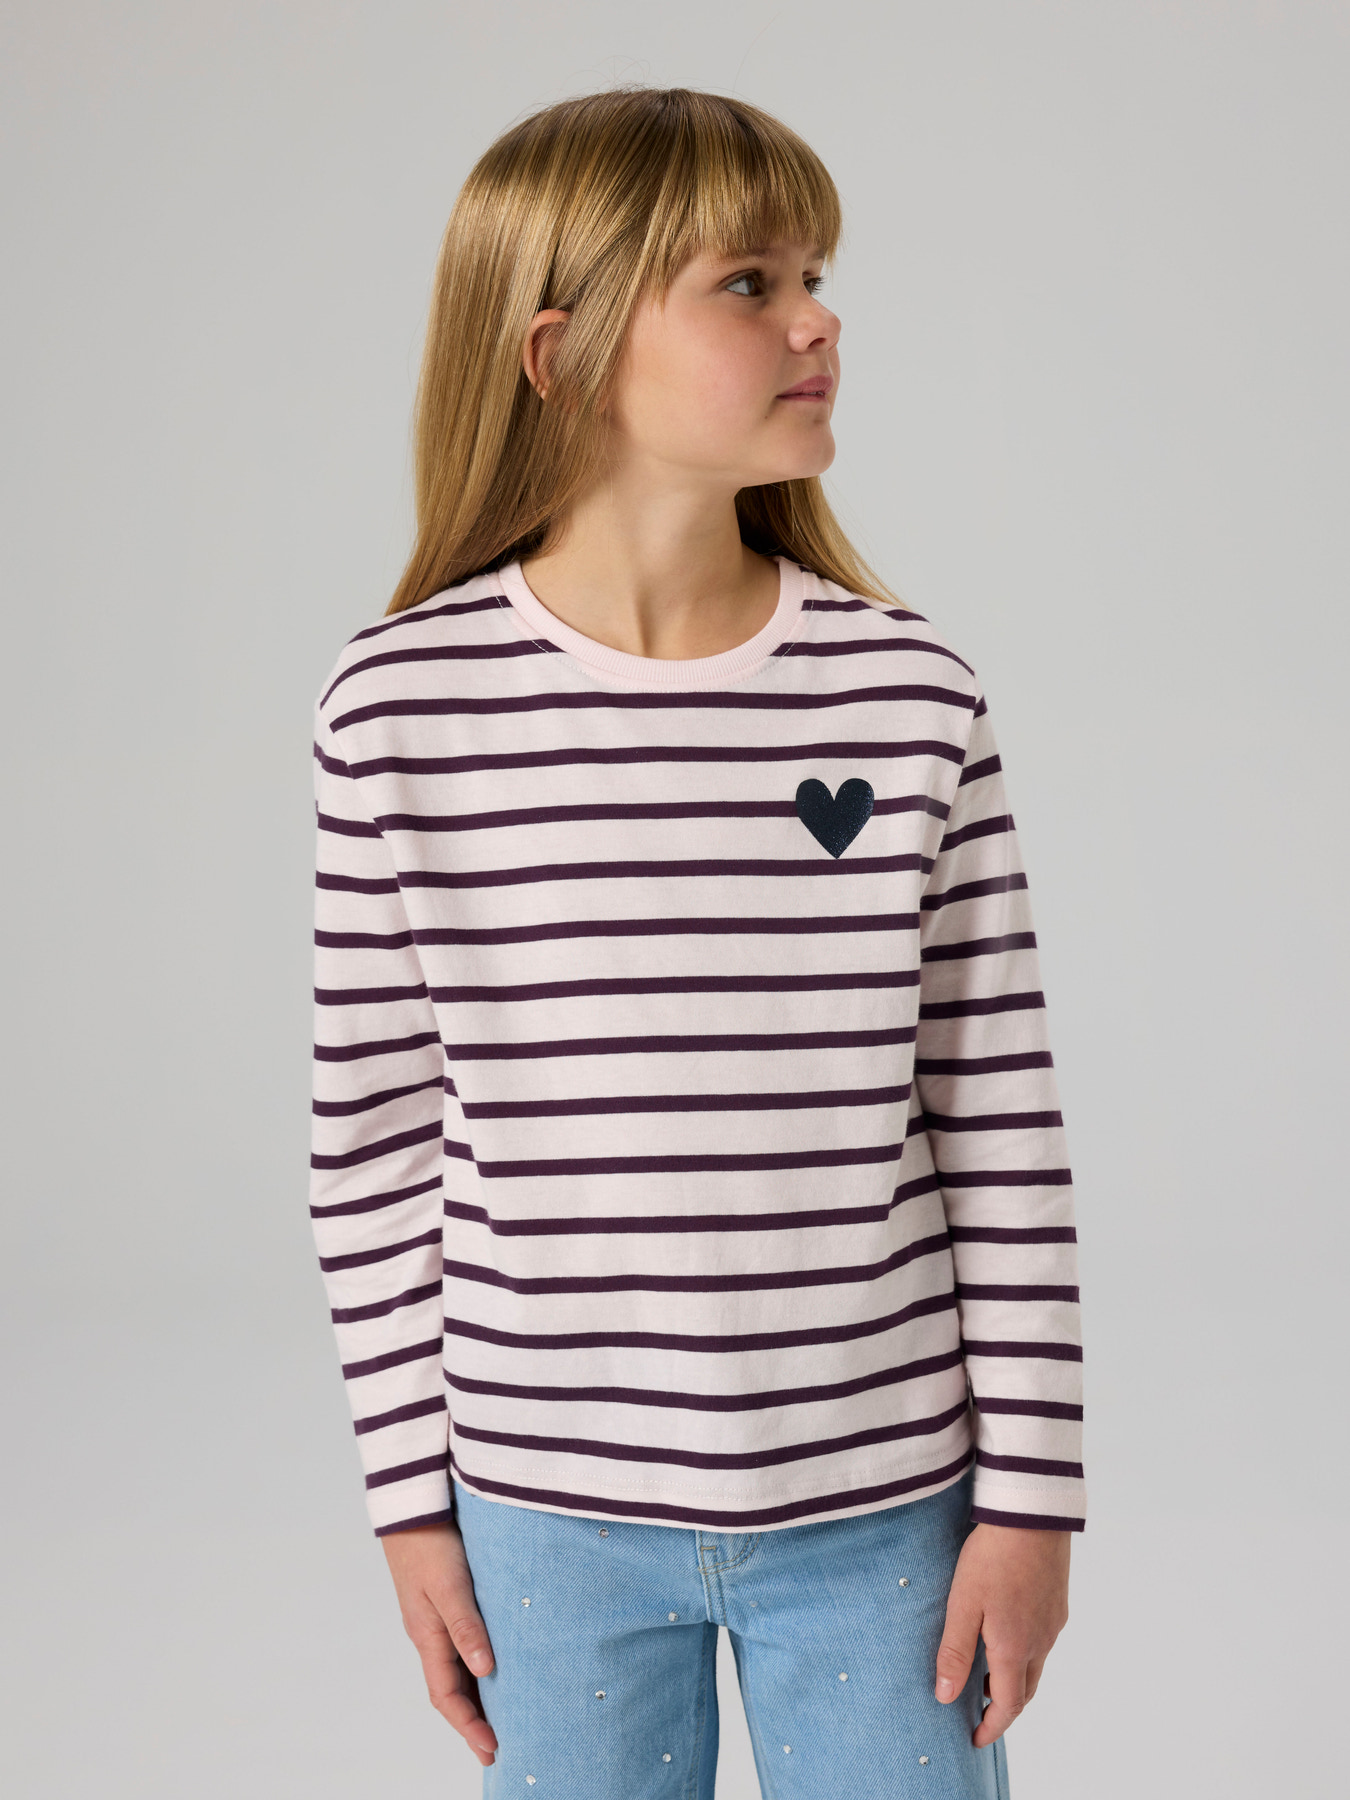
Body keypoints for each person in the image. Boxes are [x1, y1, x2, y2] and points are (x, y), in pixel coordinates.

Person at [309, 85, 1084, 1799]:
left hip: (883, 1504)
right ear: (559, 353)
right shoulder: (399, 709)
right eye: (747, 282)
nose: (816, 321)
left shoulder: (907, 693)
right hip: (543, 1513)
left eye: (814, 277)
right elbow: (373, 1144)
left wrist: (1029, 1499)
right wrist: (410, 1511)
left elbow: (998, 1127)